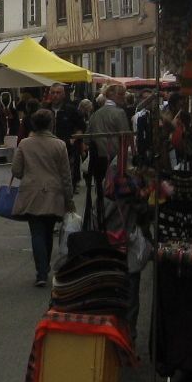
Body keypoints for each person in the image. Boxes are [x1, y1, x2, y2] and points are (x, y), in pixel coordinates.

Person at [12, 108, 74, 287]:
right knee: (48, 231)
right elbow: (66, 175)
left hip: (31, 192)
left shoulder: (25, 144)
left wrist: (28, 174)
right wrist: (69, 200)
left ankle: (41, 271)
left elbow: (16, 170)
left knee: (36, 232)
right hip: (54, 193)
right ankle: (44, 266)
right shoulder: (60, 145)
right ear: (51, 123)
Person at [85, 85, 134, 197]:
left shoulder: (95, 114)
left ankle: (100, 211)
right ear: (111, 95)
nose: (123, 98)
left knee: (100, 190)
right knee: (114, 191)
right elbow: (125, 136)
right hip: (114, 159)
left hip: (97, 158)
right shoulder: (119, 113)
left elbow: (87, 139)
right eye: (120, 94)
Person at [46, 84, 86, 192]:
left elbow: (81, 127)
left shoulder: (71, 110)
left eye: (58, 93)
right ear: (50, 94)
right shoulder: (45, 110)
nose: (55, 95)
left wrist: (74, 139)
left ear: (63, 94)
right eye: (53, 92)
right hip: (48, 149)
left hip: (67, 149)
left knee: (67, 177)